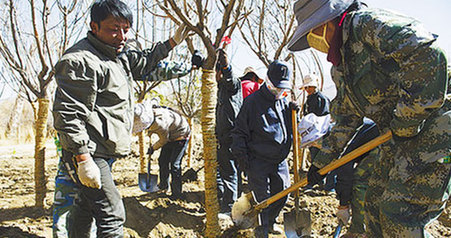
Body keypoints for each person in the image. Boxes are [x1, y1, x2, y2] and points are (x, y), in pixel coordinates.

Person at [288, 0, 450, 236]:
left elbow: (428, 56)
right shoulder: (342, 66)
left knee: (399, 213)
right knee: (373, 203)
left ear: (326, 22)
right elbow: (346, 118)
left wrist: (406, 119)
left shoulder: (367, 25)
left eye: (312, 33)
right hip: (396, 138)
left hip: (433, 128)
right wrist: (320, 164)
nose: (314, 41)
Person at [52, 0, 190, 236]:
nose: (121, 36)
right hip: (90, 153)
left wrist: (171, 43)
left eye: (126, 29)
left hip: (103, 151)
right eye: (114, 29)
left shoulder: (117, 56)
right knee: (112, 215)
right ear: (94, 26)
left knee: (85, 209)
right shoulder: (81, 61)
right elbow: (68, 115)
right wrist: (83, 159)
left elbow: (144, 60)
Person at [231, 60, 296, 237]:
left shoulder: (283, 103)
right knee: (261, 200)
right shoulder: (251, 103)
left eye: (282, 89)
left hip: (279, 159)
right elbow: (239, 132)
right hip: (257, 159)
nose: (279, 92)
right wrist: (242, 158)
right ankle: (261, 230)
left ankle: (271, 222)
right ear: (267, 81)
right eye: (276, 88)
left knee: (283, 193)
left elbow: (290, 130)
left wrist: (293, 116)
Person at [134, 100, 191, 200]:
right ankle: (164, 187)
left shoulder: (159, 123)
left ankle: (177, 193)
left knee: (175, 165)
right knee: (162, 160)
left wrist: (153, 148)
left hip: (181, 135)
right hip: (170, 134)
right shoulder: (150, 111)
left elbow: (163, 139)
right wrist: (150, 131)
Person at [333, 118, 379, 237]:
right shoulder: (340, 132)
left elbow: (345, 173)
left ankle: (358, 230)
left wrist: (343, 205)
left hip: (385, 141)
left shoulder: (341, 139)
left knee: (360, 181)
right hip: (386, 140)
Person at [214, 49, 243, 215]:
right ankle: (231, 202)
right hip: (227, 136)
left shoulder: (231, 85)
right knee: (229, 172)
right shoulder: (220, 89)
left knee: (229, 172)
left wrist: (226, 67)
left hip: (231, 136)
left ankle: (229, 207)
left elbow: (230, 80)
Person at [300, 73, 333, 191]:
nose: (308, 89)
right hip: (312, 135)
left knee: (325, 158)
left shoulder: (321, 99)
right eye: (306, 87)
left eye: (310, 87)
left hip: (322, 133)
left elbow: (323, 118)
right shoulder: (308, 100)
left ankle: (328, 186)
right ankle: (317, 182)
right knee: (314, 158)